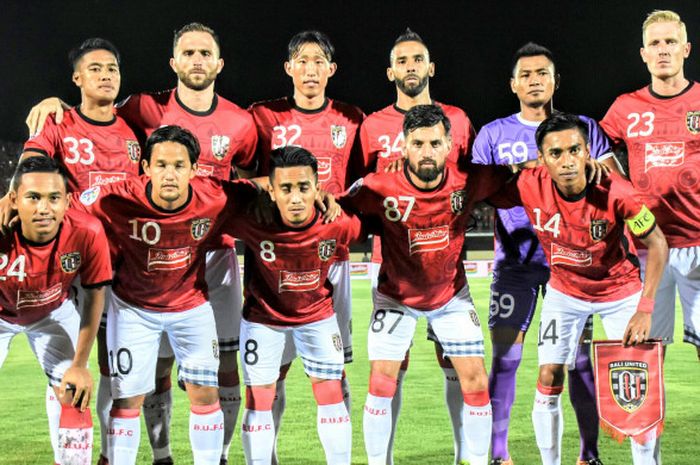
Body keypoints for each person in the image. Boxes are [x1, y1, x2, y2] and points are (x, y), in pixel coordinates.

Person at [26, 23, 258, 465]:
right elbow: (94, 109)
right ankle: (141, 455)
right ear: (173, 62)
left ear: (219, 63)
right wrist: (55, 104)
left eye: (205, 53)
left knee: (221, 370)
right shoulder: (143, 109)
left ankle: (220, 455)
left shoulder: (241, 122)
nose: (196, 60)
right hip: (129, 260)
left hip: (213, 256)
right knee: (122, 372)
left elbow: (254, 180)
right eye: (187, 52)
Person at [72, 125, 262, 465]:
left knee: (205, 393)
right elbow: (67, 212)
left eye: (178, 165)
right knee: (127, 400)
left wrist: (318, 193)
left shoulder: (216, 195)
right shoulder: (114, 197)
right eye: (160, 165)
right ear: (145, 167)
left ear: (194, 169)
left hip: (191, 306)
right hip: (132, 309)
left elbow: (262, 186)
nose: (169, 174)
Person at [488, 112, 668, 465]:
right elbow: (480, 184)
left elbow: (658, 243)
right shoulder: (527, 183)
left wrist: (644, 308)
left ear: (588, 152)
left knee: (637, 392)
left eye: (575, 150)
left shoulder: (617, 190)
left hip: (620, 294)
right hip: (565, 292)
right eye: (555, 153)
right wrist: (519, 166)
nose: (567, 161)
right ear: (541, 158)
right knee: (548, 374)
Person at [471, 42, 619, 465]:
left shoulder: (583, 127)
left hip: (571, 265)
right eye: (527, 74)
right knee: (505, 357)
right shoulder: (493, 134)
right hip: (515, 264)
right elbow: (478, 190)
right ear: (513, 83)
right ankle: (499, 456)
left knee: (577, 362)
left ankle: (588, 455)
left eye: (543, 73)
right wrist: (530, 167)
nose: (535, 80)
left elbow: (615, 180)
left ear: (556, 80)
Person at [341, 104, 512, 465]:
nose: (427, 152)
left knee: (477, 381)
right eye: (418, 143)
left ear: (450, 144)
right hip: (395, 297)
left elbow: (522, 179)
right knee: (381, 381)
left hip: (450, 296)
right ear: (403, 145)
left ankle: (477, 461)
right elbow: (337, 211)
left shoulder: (470, 179)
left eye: (435, 143)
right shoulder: (376, 186)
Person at [0, 37, 140, 465]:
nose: (105, 75)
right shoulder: (58, 122)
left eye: (112, 68)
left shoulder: (135, 124)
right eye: (94, 68)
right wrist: (10, 196)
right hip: (67, 269)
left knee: (113, 374)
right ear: (77, 77)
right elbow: (30, 170)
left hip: (120, 267)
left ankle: (101, 455)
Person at [357, 29, 476, 464]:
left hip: (446, 266)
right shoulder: (371, 126)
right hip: (391, 266)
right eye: (402, 60)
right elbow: (362, 194)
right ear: (391, 71)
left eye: (418, 59)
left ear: (431, 67)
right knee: (391, 368)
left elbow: (470, 182)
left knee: (456, 365)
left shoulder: (459, 120)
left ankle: (466, 454)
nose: (411, 66)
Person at [248, 31, 364, 459]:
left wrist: (338, 202)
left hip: (333, 257)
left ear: (331, 70)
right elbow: (236, 179)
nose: (311, 69)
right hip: (274, 259)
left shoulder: (353, 119)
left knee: (336, 372)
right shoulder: (262, 117)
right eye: (302, 60)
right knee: (269, 373)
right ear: (289, 68)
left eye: (319, 61)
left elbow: (366, 183)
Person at [223, 146, 366, 465]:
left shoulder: (337, 221)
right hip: (263, 320)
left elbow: (376, 219)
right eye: (285, 188)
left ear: (318, 187)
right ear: (271, 190)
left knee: (330, 393)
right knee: (259, 399)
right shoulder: (251, 218)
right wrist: (255, 188)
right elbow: (213, 191)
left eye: (304, 187)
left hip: (318, 318)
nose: (296, 197)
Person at [600, 9, 700, 355]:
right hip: (643, 245)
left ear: (686, 49)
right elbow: (595, 146)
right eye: (654, 43)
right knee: (644, 349)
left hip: (697, 243)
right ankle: (648, 413)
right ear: (643, 54)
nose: (662, 50)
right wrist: (621, 184)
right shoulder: (626, 107)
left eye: (670, 42)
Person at [0, 156, 112, 464]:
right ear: (13, 200)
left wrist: (80, 364)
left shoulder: (88, 231)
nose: (43, 208)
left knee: (75, 392)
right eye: (32, 197)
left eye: (53, 198)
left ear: (67, 202)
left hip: (51, 313)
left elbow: (93, 298)